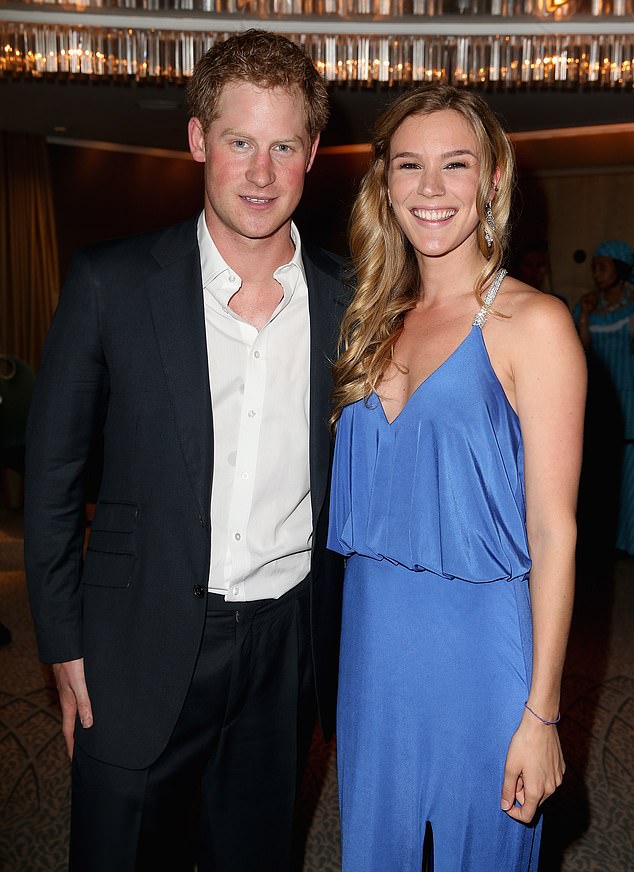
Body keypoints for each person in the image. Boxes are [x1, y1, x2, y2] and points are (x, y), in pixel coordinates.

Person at [24, 29, 347, 872]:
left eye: (283, 146)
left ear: (313, 152)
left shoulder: (352, 301)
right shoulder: (110, 283)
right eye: (240, 142)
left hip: (285, 645)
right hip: (137, 636)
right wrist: (60, 641)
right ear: (199, 139)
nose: (261, 174)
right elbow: (53, 477)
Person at [327, 84, 586, 871]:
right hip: (372, 653)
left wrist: (541, 715)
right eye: (410, 166)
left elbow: (554, 531)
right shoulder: (369, 319)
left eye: (455, 165)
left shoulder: (532, 323)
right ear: (385, 185)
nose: (430, 189)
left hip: (481, 656)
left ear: (492, 181)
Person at [574, 240, 634, 556]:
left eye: (603, 267)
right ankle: (603, 541)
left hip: (628, 396)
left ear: (620, 270)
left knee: (629, 470)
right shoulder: (587, 306)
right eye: (594, 267)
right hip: (597, 400)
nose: (596, 274)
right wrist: (583, 317)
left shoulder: (631, 306)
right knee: (599, 468)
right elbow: (581, 352)